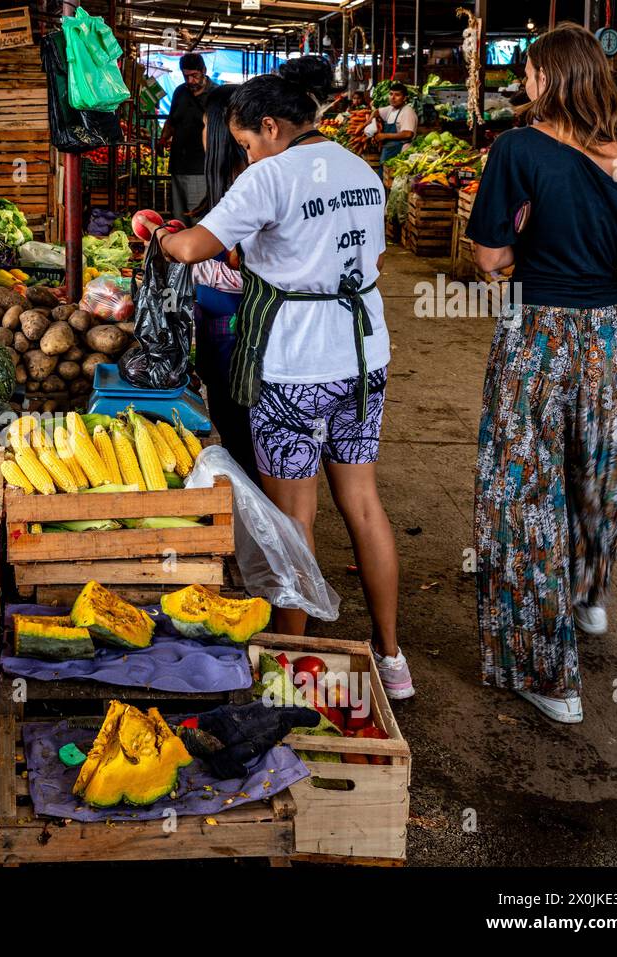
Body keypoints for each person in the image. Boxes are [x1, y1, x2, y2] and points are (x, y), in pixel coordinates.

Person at [156, 56, 412, 700]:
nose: (244, 158)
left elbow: (192, 251)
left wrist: (160, 233)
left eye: (244, 144)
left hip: (294, 365)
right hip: (363, 357)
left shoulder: (269, 177)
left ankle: (294, 660)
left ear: (270, 126)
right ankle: (392, 657)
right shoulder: (362, 170)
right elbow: (362, 255)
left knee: (293, 516)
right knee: (363, 503)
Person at [467, 23, 617, 725]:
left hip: (536, 331)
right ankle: (588, 596)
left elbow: (490, 258)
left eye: (528, 73)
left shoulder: (518, 149)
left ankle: (548, 676)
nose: (523, 84)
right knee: (595, 468)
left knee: (522, 491)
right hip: (608, 336)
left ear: (549, 78)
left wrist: (524, 248)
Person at [189, 83, 258, 478]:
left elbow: (243, 267)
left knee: (241, 429)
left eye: (203, 124)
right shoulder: (228, 183)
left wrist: (175, 245)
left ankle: (262, 518)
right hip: (219, 324)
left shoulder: (247, 183)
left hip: (236, 329)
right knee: (234, 426)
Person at [159, 51, 215, 224]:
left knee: (197, 218)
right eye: (186, 76)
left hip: (201, 167)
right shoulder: (180, 91)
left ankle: (197, 251)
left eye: (194, 76)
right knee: (179, 217)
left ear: (204, 70)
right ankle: (179, 251)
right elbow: (171, 120)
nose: (190, 81)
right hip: (178, 164)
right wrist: (162, 140)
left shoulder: (215, 95)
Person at [371, 82, 417, 170]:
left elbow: (408, 134)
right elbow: (376, 112)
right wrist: (368, 125)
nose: (393, 97)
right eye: (391, 94)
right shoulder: (390, 109)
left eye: (397, 95)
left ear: (405, 98)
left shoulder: (407, 112)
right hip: (388, 151)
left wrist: (384, 136)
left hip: (400, 153)